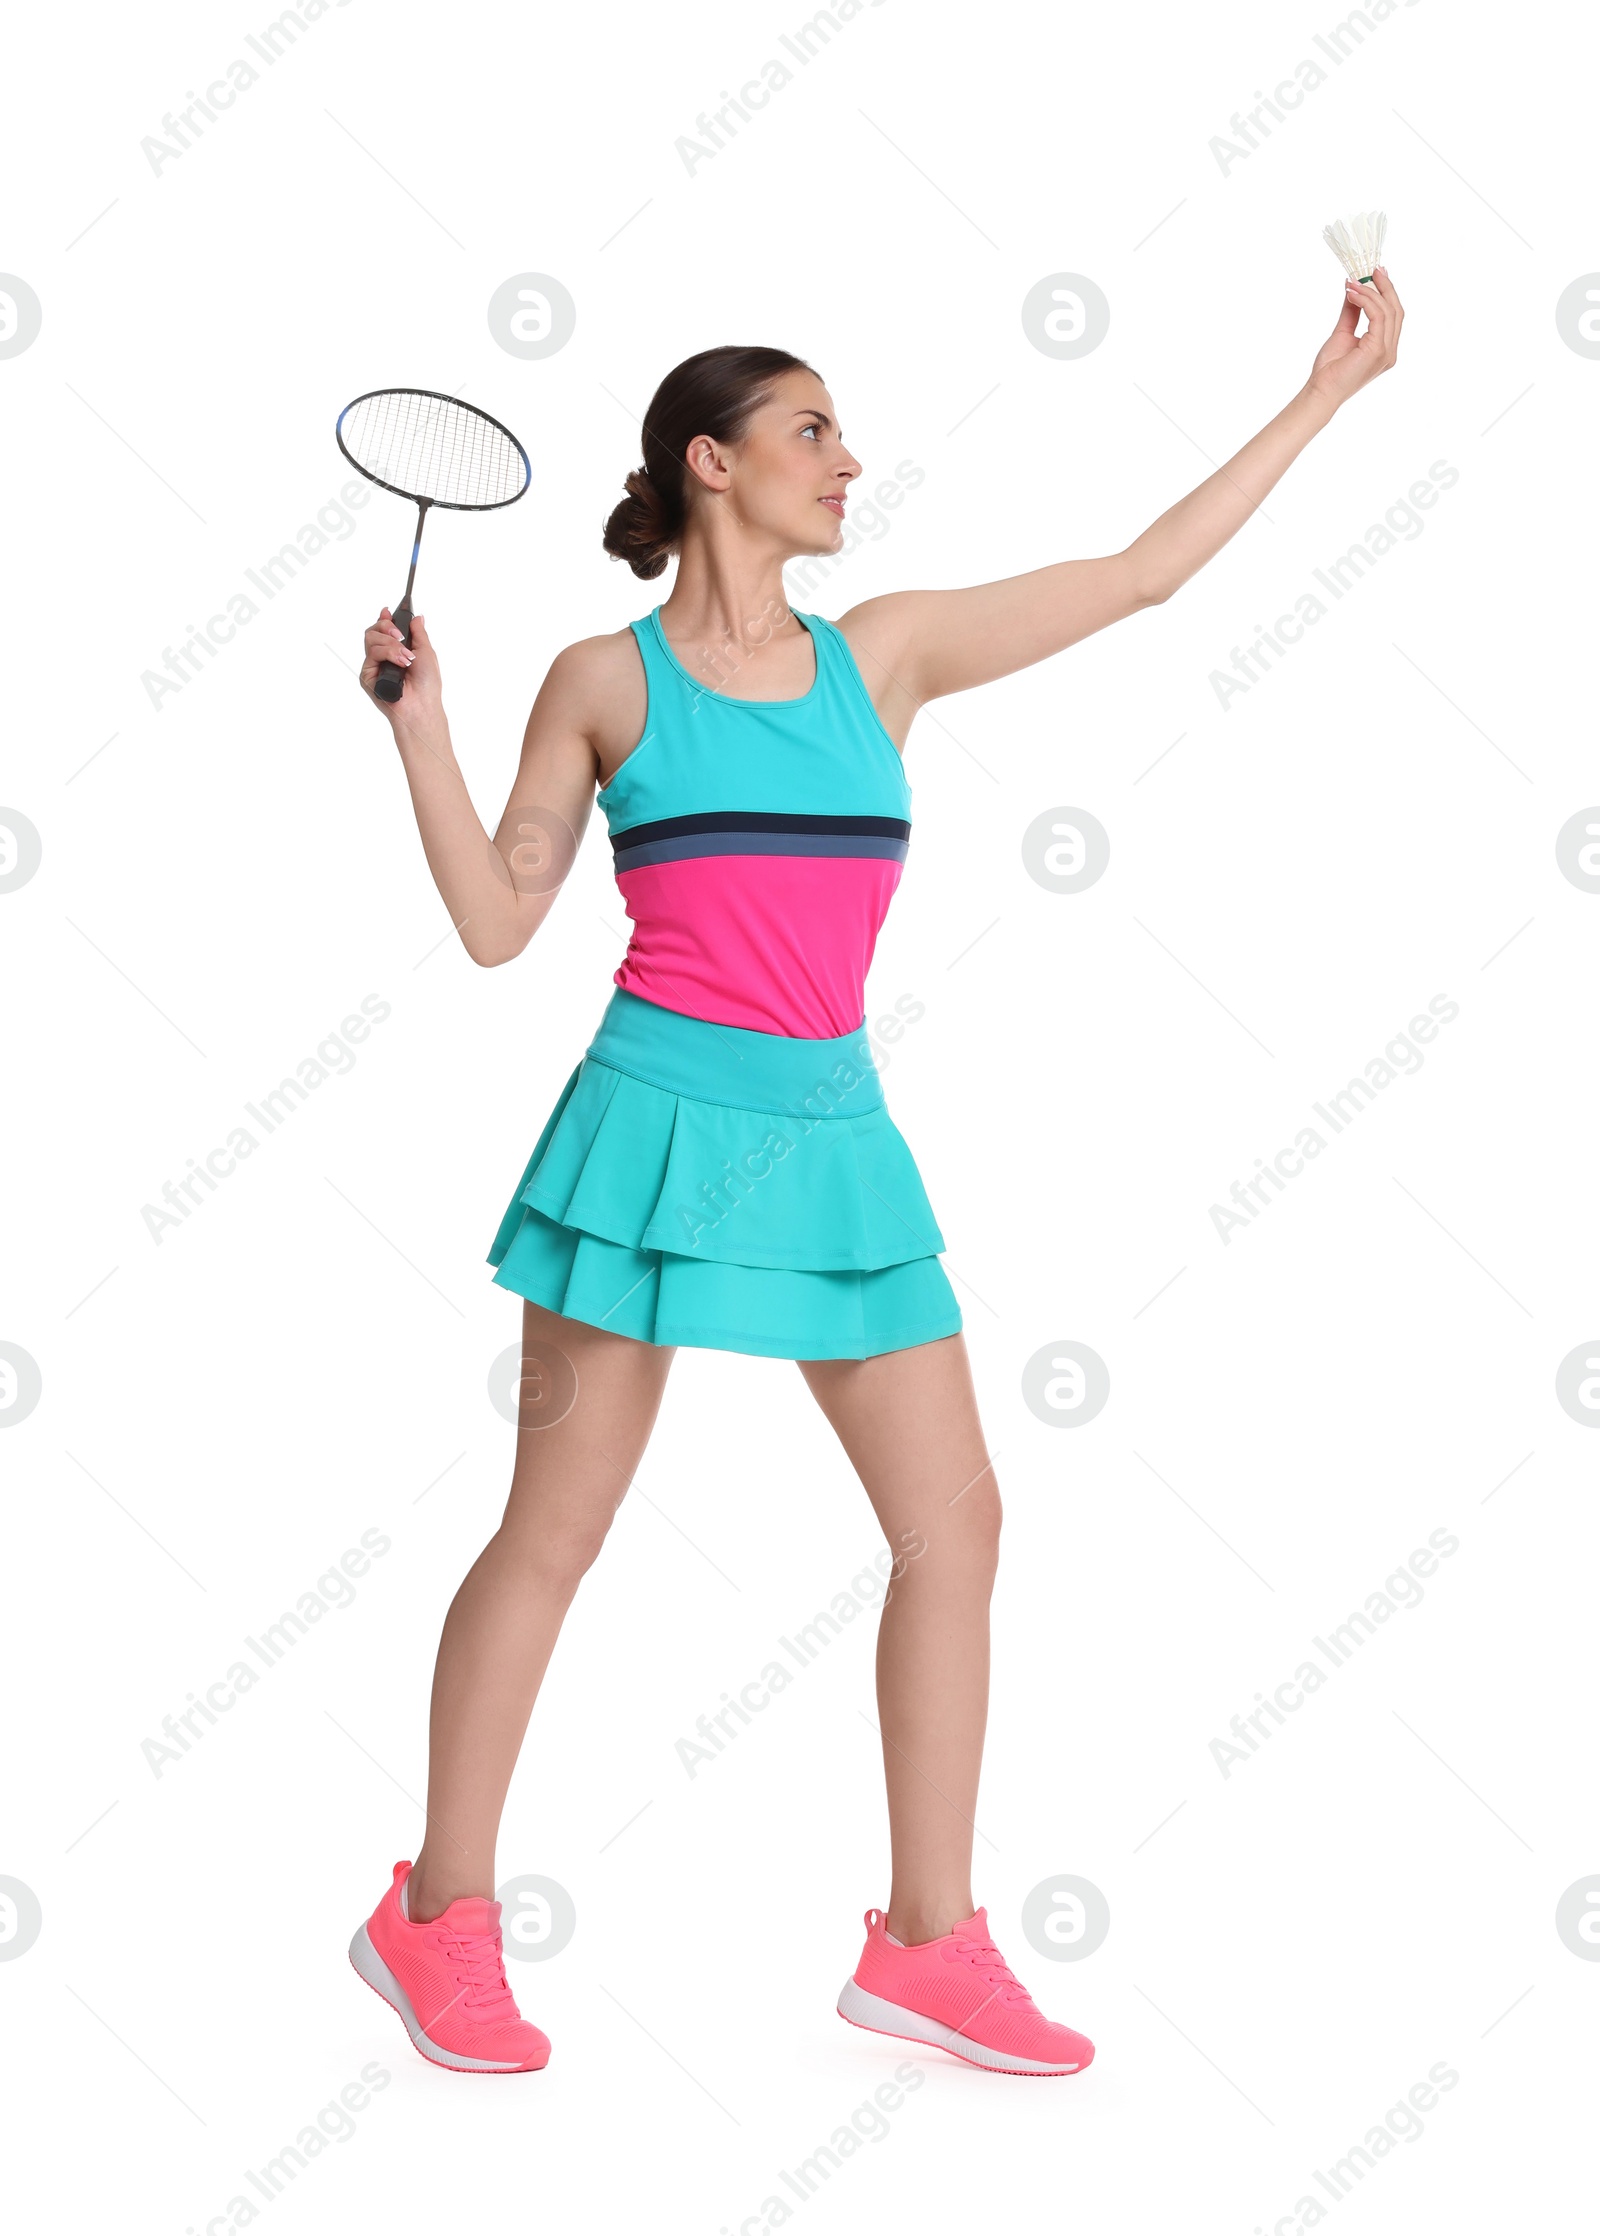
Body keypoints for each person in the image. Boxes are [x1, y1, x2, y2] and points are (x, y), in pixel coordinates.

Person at [347, 274, 1404, 2077]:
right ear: (713, 462)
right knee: (558, 1532)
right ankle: (433, 1913)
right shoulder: (603, 679)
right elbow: (496, 923)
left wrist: (1328, 394)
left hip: (838, 1139)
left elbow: (1142, 573)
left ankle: (925, 1943)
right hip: (647, 1139)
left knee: (957, 1521)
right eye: (813, 430)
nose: (852, 461)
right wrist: (418, 730)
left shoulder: (884, 653)